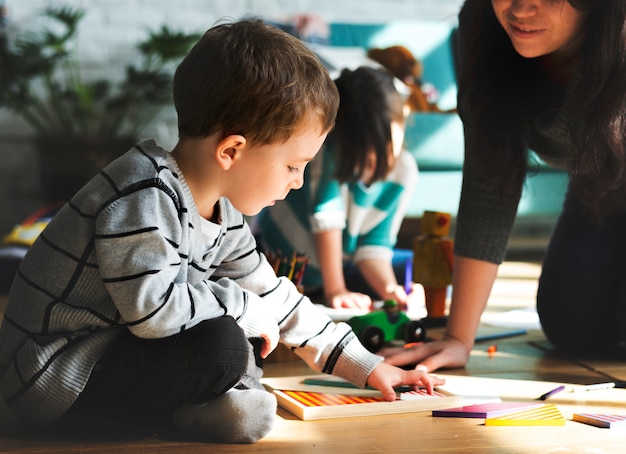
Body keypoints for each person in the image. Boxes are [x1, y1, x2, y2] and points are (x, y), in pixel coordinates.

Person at [0, 20, 444, 443]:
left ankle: (194, 411)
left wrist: (369, 367)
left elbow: (277, 299)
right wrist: (241, 305)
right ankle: (183, 413)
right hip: (50, 378)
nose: (299, 182)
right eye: (293, 165)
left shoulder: (224, 215)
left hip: (109, 358)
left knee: (233, 331)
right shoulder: (143, 193)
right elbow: (153, 310)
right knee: (224, 343)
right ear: (232, 150)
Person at [384, 0, 626, 371]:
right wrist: (458, 338)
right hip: (598, 186)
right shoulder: (481, 21)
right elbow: (489, 176)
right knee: (573, 325)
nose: (521, 9)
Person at [257, 66, 423, 310]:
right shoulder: (324, 154)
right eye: (366, 151)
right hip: (281, 265)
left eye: (387, 143)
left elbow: (374, 244)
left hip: (334, 268)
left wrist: (390, 291)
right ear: (342, 137)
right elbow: (327, 218)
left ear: (402, 120)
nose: (377, 158)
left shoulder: (404, 171)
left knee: (410, 278)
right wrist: (336, 289)